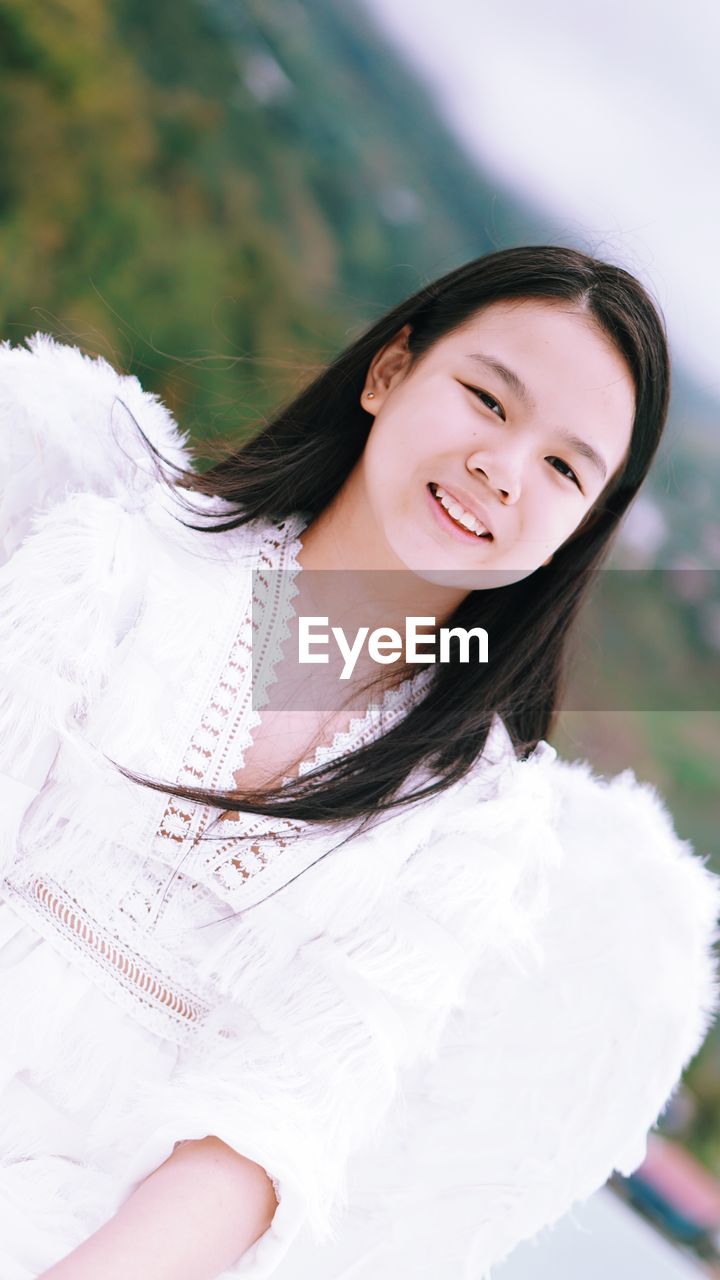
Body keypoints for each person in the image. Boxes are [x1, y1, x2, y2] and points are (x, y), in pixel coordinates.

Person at [0, 245, 718, 1280]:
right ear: (389, 372)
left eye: (565, 468)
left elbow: (263, 1126)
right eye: (486, 398)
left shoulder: (469, 822)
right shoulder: (117, 565)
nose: (503, 469)